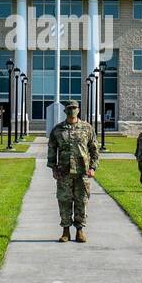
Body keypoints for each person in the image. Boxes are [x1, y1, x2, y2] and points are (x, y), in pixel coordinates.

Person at [47, 100, 99, 242]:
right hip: (64, 172)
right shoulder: (58, 130)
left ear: (79, 110)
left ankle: (80, 231)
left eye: (74, 108)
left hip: (82, 172)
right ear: (65, 111)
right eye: (69, 108)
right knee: (64, 201)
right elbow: (52, 149)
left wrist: (93, 167)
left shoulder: (87, 128)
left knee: (81, 201)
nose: (72, 111)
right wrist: (53, 168)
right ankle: (65, 231)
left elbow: (94, 149)